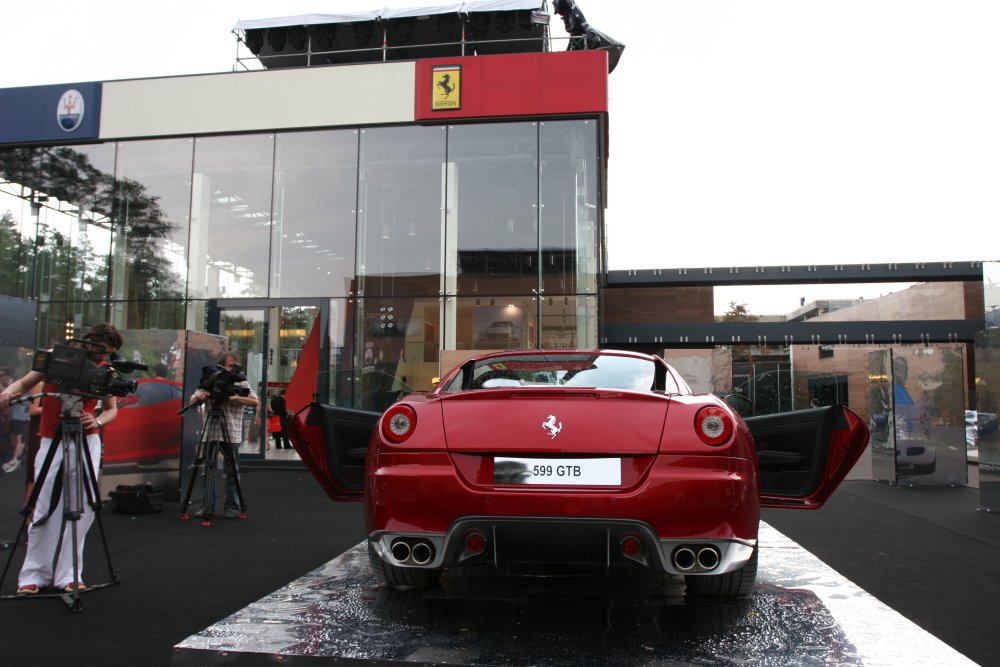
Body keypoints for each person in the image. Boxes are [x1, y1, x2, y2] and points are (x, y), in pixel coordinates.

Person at [0, 323, 123, 596]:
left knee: (85, 505)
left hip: (86, 438)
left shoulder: (105, 369)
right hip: (51, 437)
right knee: (44, 504)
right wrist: (8, 393)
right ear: (89, 342)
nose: (101, 358)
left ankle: (70, 573)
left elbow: (112, 410)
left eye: (107, 354)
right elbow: (26, 382)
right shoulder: (56, 358)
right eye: (100, 351)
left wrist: (97, 420)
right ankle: (34, 574)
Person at [188, 351, 258, 520]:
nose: (231, 369)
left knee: (232, 471)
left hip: (231, 433)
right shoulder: (211, 380)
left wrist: (235, 398)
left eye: (234, 365)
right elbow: (192, 402)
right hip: (211, 432)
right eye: (229, 365)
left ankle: (232, 507)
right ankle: (207, 506)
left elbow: (255, 401)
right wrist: (200, 396)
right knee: (208, 471)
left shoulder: (241, 382)